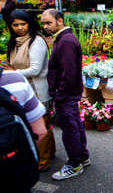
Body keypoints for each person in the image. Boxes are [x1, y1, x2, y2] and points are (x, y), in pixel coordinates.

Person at [1, 9, 55, 172]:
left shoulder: (36, 41)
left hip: (38, 89)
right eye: (15, 24)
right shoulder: (15, 41)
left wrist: (12, 73)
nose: (19, 28)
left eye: (23, 24)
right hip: (22, 89)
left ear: (29, 24)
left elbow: (35, 70)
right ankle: (49, 153)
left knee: (40, 124)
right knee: (44, 123)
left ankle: (43, 162)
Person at [41, 9, 90, 181]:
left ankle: (75, 164)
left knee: (69, 129)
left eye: (49, 23)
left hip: (66, 95)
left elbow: (68, 73)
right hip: (68, 94)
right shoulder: (63, 38)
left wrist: (59, 95)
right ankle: (82, 157)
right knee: (74, 125)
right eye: (44, 23)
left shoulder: (66, 41)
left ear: (60, 21)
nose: (45, 26)